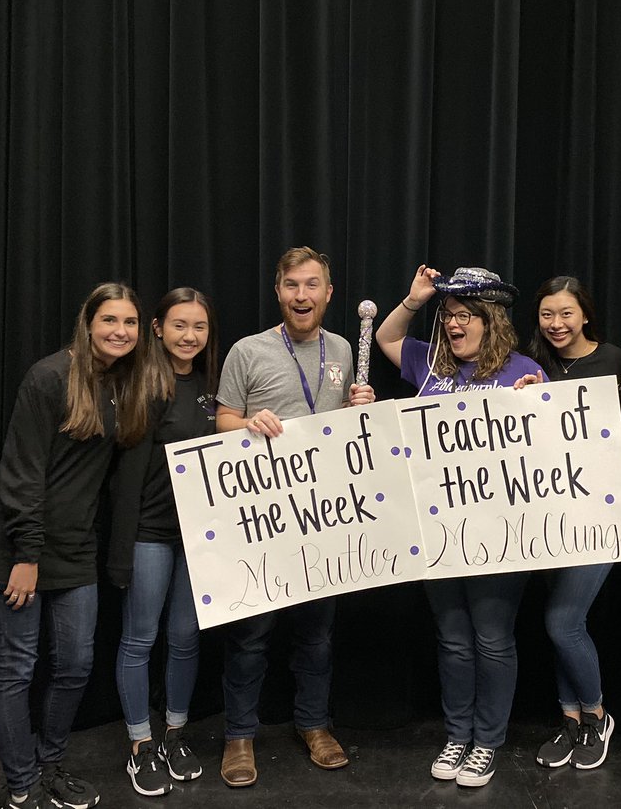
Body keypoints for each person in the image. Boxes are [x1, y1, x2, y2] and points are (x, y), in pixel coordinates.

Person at [0, 282, 154, 809]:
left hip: (72, 548)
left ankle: (50, 765)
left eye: (130, 323)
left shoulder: (122, 385)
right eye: (109, 320)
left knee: (74, 665)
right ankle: (22, 785)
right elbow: (20, 472)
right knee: (16, 667)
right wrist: (25, 556)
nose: (120, 331)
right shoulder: (49, 376)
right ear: (87, 322)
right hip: (13, 544)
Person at [375, 264, 546, 788]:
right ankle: (458, 735)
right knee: (452, 639)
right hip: (436, 532)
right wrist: (415, 298)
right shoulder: (430, 365)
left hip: (497, 535)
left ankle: (487, 741)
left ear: (490, 319)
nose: (453, 324)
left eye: (465, 315)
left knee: (492, 639)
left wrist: (539, 400)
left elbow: (545, 451)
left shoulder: (521, 369)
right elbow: (386, 337)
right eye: (448, 316)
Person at [214, 246, 375, 788]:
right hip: (260, 520)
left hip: (324, 519)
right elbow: (222, 421)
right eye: (291, 286)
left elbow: (346, 429)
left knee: (317, 635)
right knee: (251, 635)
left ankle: (314, 724)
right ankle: (239, 735)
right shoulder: (246, 351)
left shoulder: (345, 349)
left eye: (312, 286)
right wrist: (247, 425)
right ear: (277, 291)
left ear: (329, 294)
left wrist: (361, 410)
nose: (301, 295)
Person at [107, 288, 219, 797]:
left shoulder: (210, 385)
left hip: (197, 536)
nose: (189, 336)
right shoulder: (139, 384)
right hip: (149, 534)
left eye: (198, 326)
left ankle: (174, 734)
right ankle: (140, 745)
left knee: (185, 637)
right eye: (179, 325)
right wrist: (120, 549)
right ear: (157, 328)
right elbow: (125, 479)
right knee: (139, 638)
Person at [522, 276, 621, 770]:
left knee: (562, 622)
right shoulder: (532, 362)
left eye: (565, 314)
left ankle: (598, 715)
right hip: (547, 517)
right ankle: (571, 719)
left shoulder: (620, 362)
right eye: (547, 314)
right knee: (566, 622)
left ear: (585, 314)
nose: (556, 324)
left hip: (601, 514)